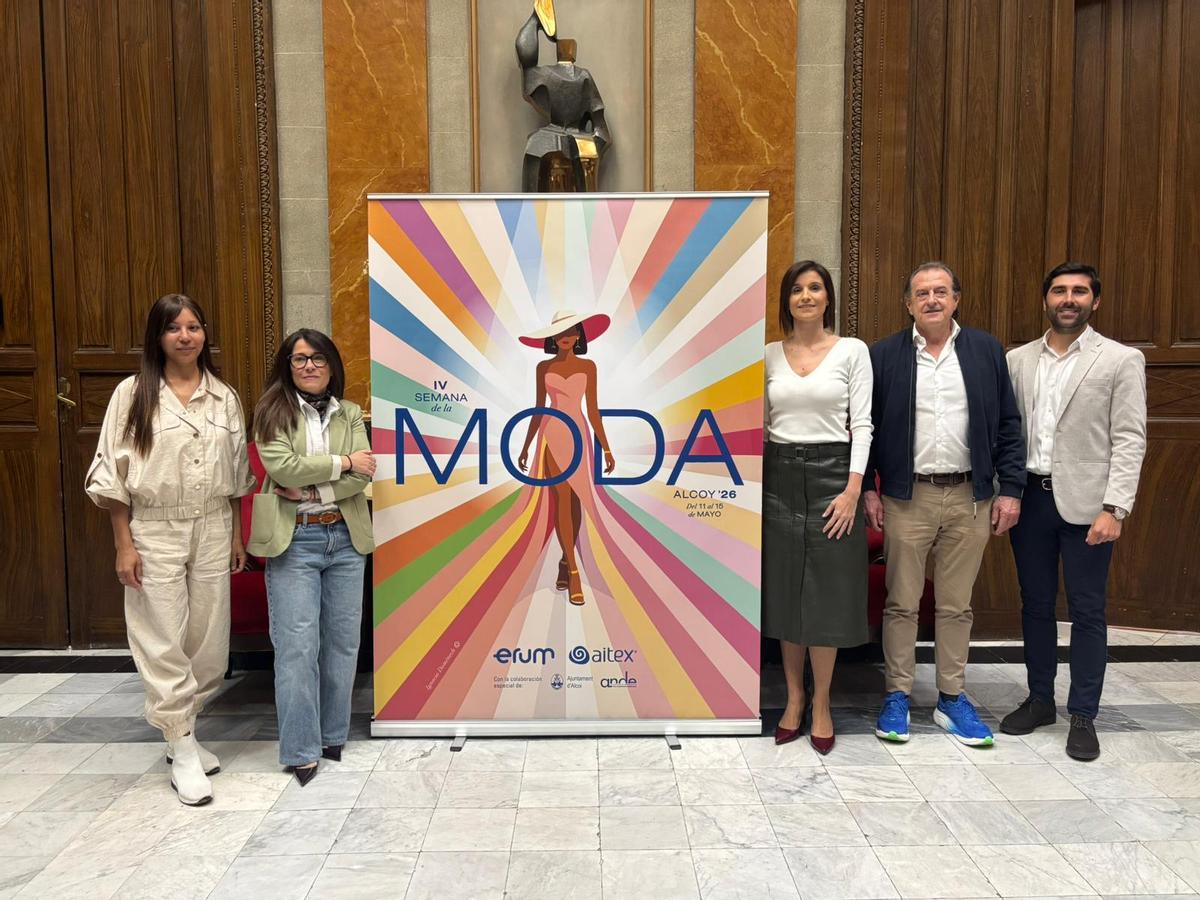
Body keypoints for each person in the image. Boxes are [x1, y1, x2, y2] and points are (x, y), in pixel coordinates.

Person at [86, 293, 254, 806]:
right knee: (160, 634)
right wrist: (124, 543)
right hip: (154, 529)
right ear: (157, 336)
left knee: (207, 639)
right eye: (174, 328)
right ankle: (180, 746)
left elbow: (235, 477)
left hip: (212, 526)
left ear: (205, 334)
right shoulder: (132, 394)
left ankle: (186, 730)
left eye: (194, 327)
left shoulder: (223, 396)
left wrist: (235, 536)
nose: (186, 336)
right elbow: (112, 475)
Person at [864, 262, 1025, 747]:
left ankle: (952, 698)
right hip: (905, 496)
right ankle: (897, 695)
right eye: (921, 293)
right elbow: (866, 427)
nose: (931, 300)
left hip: (969, 497)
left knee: (956, 606)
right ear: (907, 304)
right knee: (901, 603)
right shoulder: (885, 355)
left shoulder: (985, 351)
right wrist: (871, 487)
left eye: (940, 291)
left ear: (956, 298)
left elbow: (1008, 425)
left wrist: (1012, 489)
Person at [1000, 262, 1146, 761]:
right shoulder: (1017, 360)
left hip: (1089, 506)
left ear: (1095, 301)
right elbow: (1009, 433)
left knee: (1087, 611)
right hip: (1031, 500)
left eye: (1079, 291)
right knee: (1035, 605)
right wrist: (1007, 491)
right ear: (1046, 299)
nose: (1069, 298)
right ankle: (1041, 699)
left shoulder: (1120, 360)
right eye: (1060, 291)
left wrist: (1116, 507)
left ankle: (1083, 714)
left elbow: (1129, 438)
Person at [247, 330, 376, 786]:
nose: (308, 366)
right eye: (299, 358)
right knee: (298, 647)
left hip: (344, 537)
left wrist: (314, 488)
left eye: (317, 358)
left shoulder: (352, 412)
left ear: (331, 364)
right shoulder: (271, 411)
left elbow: (365, 476)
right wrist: (343, 464)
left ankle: (332, 735)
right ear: (287, 365)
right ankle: (301, 749)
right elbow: (281, 468)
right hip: (294, 539)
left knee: (343, 643)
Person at [762, 261, 872, 755]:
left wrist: (853, 489)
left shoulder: (852, 351)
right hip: (779, 475)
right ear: (786, 300)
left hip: (834, 475)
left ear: (828, 298)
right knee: (787, 592)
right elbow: (760, 425)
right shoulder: (766, 355)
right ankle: (794, 698)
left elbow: (863, 425)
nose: (806, 296)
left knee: (825, 595)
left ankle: (823, 702)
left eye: (815, 288)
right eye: (797, 289)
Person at [516, 310, 615, 605]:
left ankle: (563, 560)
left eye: (571, 332)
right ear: (552, 338)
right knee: (561, 498)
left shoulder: (589, 366)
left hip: (579, 435)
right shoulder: (543, 368)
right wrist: (525, 446)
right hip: (552, 434)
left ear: (579, 336)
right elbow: (538, 408)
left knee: (576, 502)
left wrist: (606, 447)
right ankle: (573, 572)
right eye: (560, 333)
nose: (566, 338)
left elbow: (594, 410)